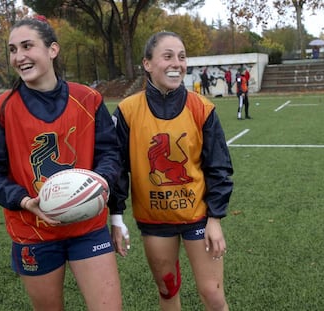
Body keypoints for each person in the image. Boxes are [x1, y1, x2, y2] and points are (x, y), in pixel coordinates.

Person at [0, 16, 123, 311]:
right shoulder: (0, 110)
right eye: (13, 49)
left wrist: (102, 180)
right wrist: (25, 201)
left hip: (88, 226)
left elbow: (110, 152)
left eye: (28, 46)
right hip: (33, 231)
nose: (19, 56)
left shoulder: (88, 99)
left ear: (52, 50)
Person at [110, 31, 234, 311]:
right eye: (167, 56)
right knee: (167, 290)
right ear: (147, 64)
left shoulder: (202, 108)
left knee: (213, 295)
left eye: (181, 56)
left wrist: (215, 218)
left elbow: (219, 168)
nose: (176, 63)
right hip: (155, 221)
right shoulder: (128, 110)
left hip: (198, 219)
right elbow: (117, 169)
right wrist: (116, 216)